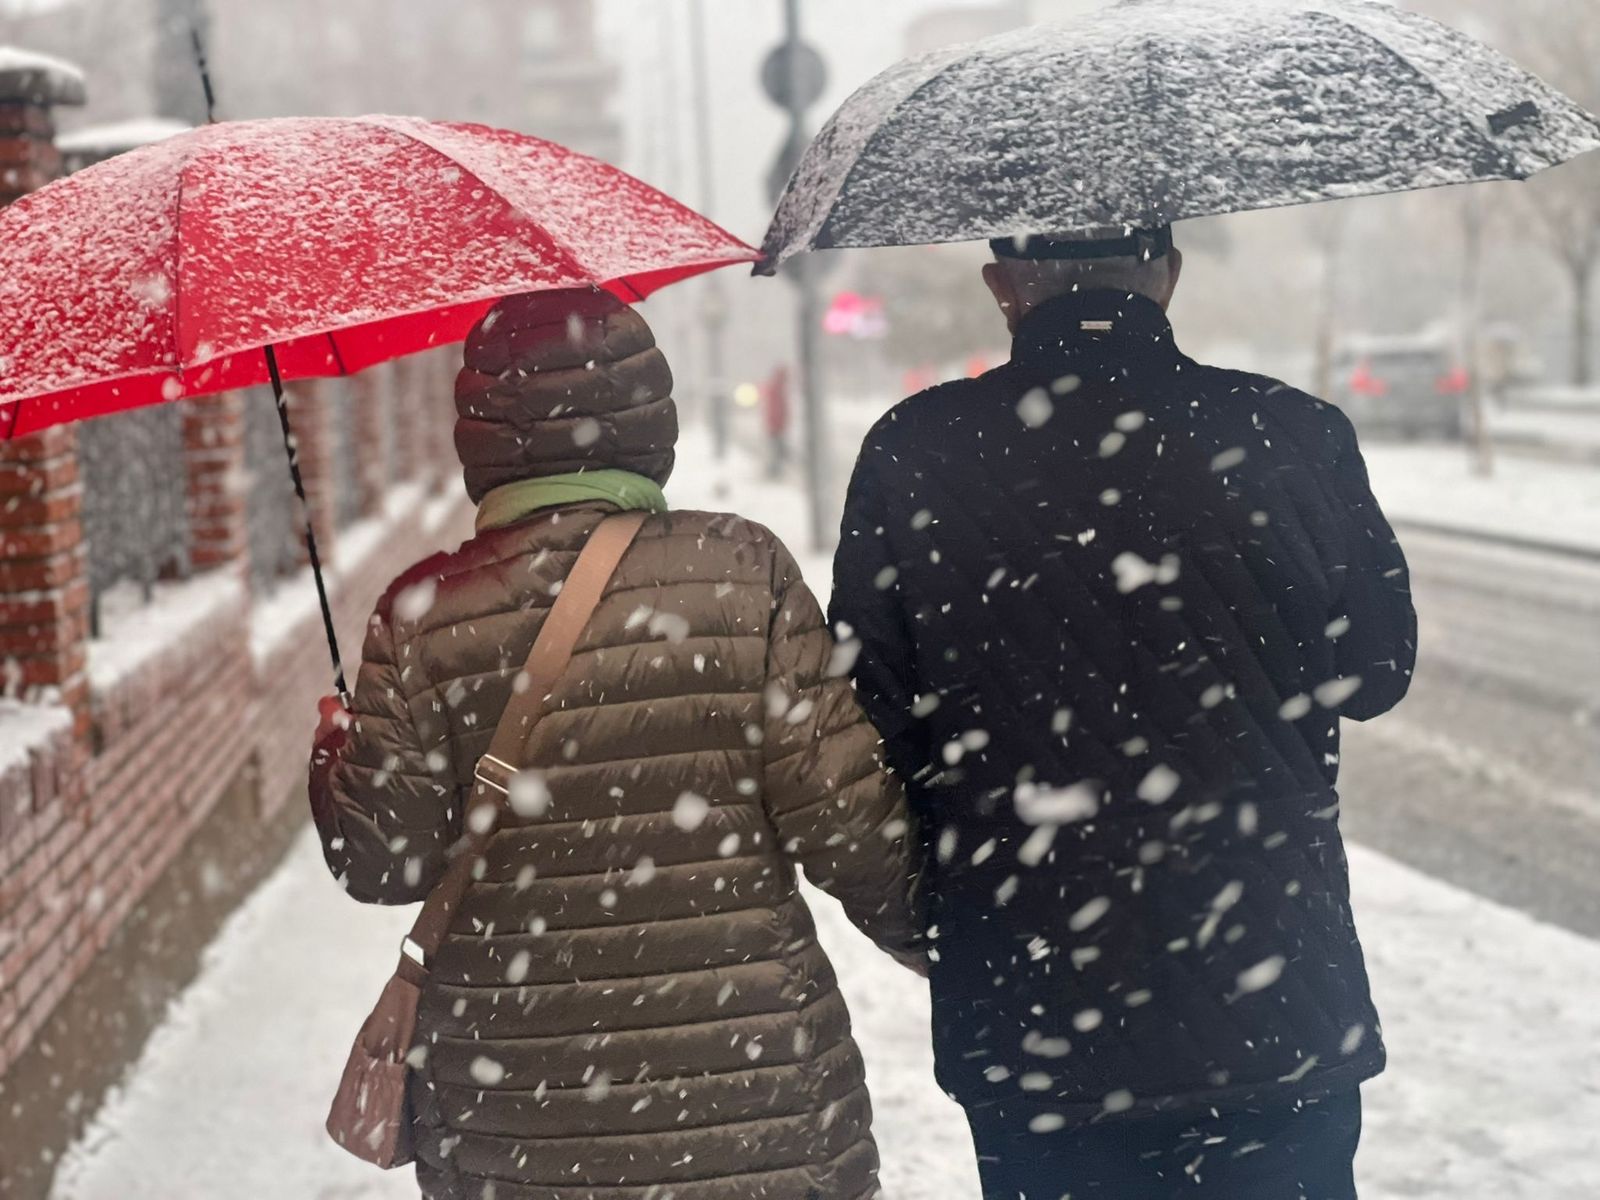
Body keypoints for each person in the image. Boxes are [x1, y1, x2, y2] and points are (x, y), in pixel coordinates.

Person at [829, 226, 1416, 1200]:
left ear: (1003, 285)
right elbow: (1377, 672)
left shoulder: (916, 450)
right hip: (1268, 986)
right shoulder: (1293, 432)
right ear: (1168, 274)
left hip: (1035, 993)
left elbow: (868, 717)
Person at [309, 287, 922, 1200]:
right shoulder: (740, 571)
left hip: (514, 1117)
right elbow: (849, 823)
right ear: (648, 417)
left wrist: (334, 757)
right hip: (752, 1096)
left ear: (479, 437)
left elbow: (381, 861)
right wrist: (934, 937)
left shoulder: (423, 615)